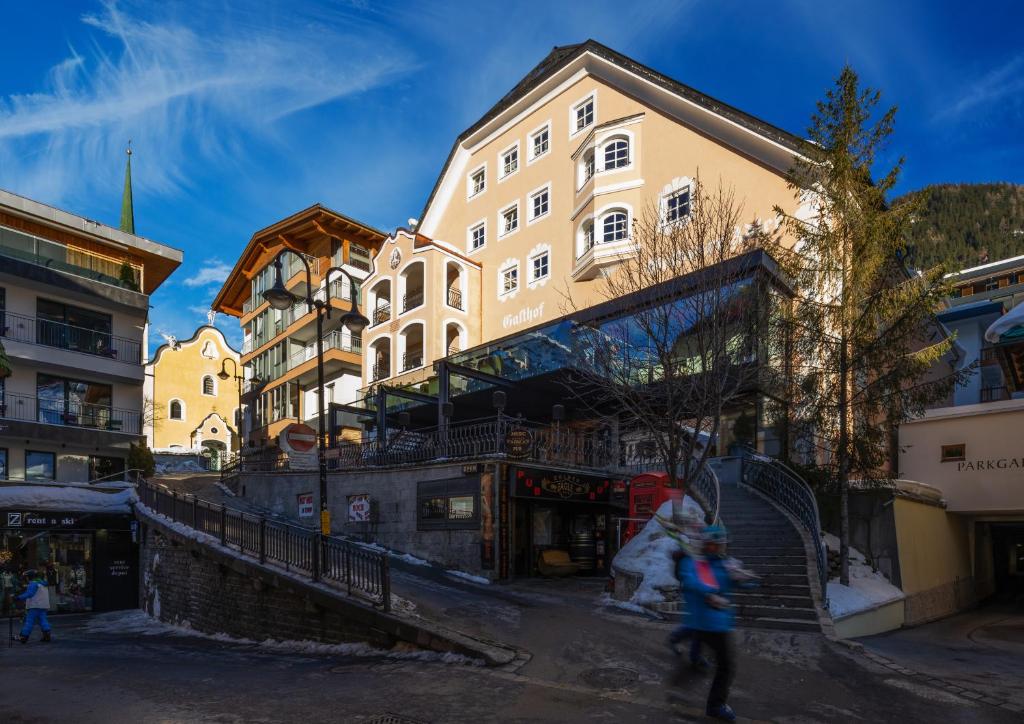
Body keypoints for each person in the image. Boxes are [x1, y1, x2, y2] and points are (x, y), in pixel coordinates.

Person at [678, 525, 748, 722]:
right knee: (726, 666)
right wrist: (709, 593)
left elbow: (736, 581)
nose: (717, 547)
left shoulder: (723, 563)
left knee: (703, 650)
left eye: (719, 544)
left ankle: (690, 671)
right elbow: (691, 581)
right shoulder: (696, 562)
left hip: (714, 622)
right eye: (713, 544)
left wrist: (744, 579)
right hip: (710, 623)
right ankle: (715, 705)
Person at [15, 570, 52, 643]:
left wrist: (18, 597)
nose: (26, 579)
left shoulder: (33, 584)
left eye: (26, 577)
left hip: (34, 605)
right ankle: (47, 635)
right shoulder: (42, 583)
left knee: (29, 621)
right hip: (43, 605)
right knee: (43, 620)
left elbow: (30, 593)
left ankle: (23, 636)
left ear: (29, 577)